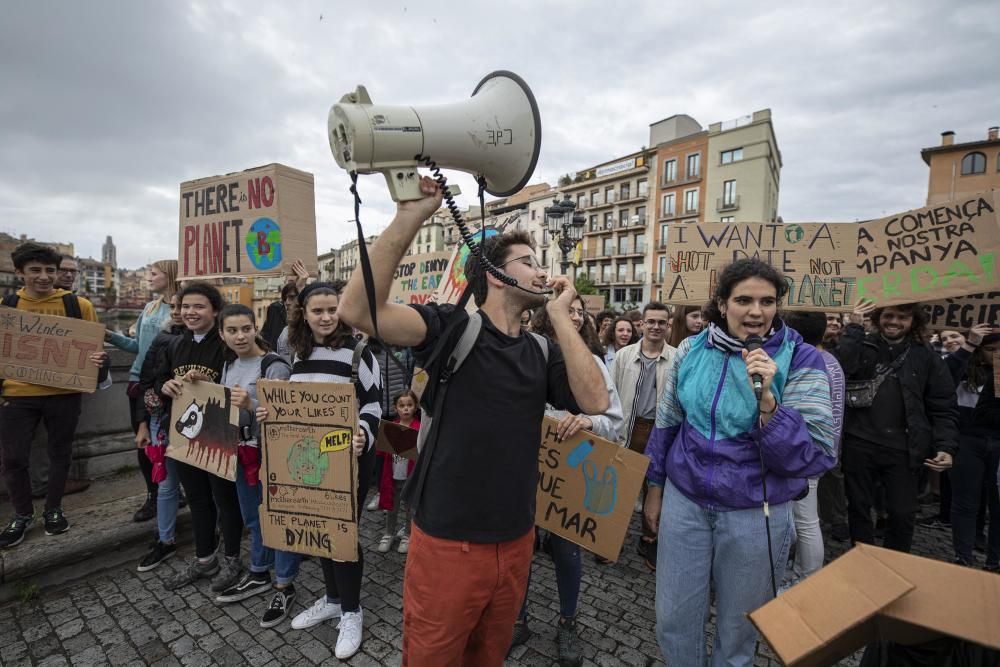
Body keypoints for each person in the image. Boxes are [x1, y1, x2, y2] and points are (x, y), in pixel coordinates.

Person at [337, 176, 608, 667]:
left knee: (490, 656)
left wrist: (562, 317)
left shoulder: (542, 349)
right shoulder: (452, 328)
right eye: (529, 261)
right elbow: (357, 310)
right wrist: (410, 215)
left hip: (516, 537)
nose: (542, 270)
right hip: (448, 541)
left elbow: (594, 399)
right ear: (496, 274)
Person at [643, 258, 836, 666]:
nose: (756, 311)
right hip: (686, 502)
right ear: (722, 302)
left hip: (755, 514)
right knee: (672, 621)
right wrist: (655, 489)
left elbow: (814, 454)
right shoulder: (692, 350)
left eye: (767, 302)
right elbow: (667, 423)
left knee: (738, 631)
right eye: (744, 299)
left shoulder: (801, 359)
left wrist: (769, 404)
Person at [254, 282, 380, 659]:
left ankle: (352, 611)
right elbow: (291, 404)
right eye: (317, 311)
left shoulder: (359, 352)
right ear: (304, 314)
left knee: (341, 534)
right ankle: (333, 599)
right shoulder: (296, 351)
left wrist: (363, 433)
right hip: (310, 458)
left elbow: (373, 405)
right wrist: (268, 413)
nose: (326, 317)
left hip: (348, 456)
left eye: (332, 310)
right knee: (317, 531)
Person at [511, 295, 624, 665]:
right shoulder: (531, 353)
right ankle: (518, 618)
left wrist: (589, 421)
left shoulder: (592, 363)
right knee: (522, 546)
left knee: (566, 549)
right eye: (567, 310)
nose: (574, 316)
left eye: (579, 312)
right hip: (529, 464)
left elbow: (614, 420)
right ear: (549, 316)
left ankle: (568, 621)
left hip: (574, 467)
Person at [0, 243, 107, 549]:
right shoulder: (7, 306)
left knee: (60, 454)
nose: (45, 277)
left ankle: (53, 510)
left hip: (65, 394)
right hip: (17, 396)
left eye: (50, 270)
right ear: (21, 273)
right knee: (14, 458)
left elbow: (94, 349)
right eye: (36, 270)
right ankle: (21, 515)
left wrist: (100, 361)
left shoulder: (78, 305)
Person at [835, 299, 957, 553]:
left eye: (903, 317)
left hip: (905, 448)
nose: (894, 322)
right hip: (860, 441)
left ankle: (896, 562)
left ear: (913, 322)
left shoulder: (926, 357)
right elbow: (842, 367)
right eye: (889, 315)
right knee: (858, 508)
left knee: (902, 514)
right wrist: (854, 329)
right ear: (879, 317)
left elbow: (943, 404)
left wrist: (946, 445)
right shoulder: (863, 346)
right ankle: (863, 559)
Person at [155, 282, 245, 592]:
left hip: (218, 431)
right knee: (196, 499)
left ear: (215, 311)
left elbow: (242, 384)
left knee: (225, 499)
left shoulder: (227, 344)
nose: (190, 313)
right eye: (185, 307)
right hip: (184, 432)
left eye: (199, 306)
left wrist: (212, 381)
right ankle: (205, 559)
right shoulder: (176, 344)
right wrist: (164, 387)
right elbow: (159, 381)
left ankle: (233, 558)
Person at [214, 304, 292, 603]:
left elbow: (283, 414)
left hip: (268, 455)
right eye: (232, 330)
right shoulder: (229, 365)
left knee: (274, 516)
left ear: (255, 328)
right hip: (240, 453)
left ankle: (279, 578)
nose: (240, 336)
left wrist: (250, 404)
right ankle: (261, 570)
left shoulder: (274, 365)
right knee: (252, 518)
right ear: (222, 334)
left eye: (246, 328)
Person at [106, 259, 179, 522]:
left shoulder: (183, 309)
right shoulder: (149, 307)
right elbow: (137, 346)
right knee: (143, 443)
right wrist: (110, 337)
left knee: (168, 442)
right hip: (138, 381)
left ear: (169, 276)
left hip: (164, 384)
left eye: (154, 273)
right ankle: (153, 493)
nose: (149, 277)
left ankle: (170, 492)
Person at [611, 302, 676, 571]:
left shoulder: (676, 357)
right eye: (651, 321)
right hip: (630, 427)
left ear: (668, 325)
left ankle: (649, 539)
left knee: (655, 487)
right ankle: (608, 539)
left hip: (659, 430)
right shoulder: (624, 356)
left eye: (662, 322)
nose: (656, 327)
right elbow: (611, 393)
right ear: (642, 324)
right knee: (619, 484)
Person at [781, 311, 846, 583]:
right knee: (806, 519)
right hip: (820, 451)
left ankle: (804, 578)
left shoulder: (806, 361)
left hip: (803, 454)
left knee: (804, 521)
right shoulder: (831, 361)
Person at [27, 254, 91, 499]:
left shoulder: (76, 304)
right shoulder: (20, 302)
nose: (68, 275)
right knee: (36, 442)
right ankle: (41, 484)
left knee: (58, 440)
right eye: (64, 270)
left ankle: (51, 483)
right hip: (27, 387)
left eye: (72, 271)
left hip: (65, 387)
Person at [135, 294, 188, 571]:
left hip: (198, 422)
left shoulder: (215, 341)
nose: (181, 312)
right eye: (178, 306)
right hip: (163, 421)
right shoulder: (161, 339)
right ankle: (165, 539)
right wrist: (143, 423)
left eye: (189, 306)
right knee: (166, 484)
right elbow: (146, 381)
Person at [943, 324, 1000, 571]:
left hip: (997, 442)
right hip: (967, 440)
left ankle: (994, 560)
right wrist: (969, 346)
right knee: (965, 502)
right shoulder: (965, 366)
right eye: (992, 349)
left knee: (997, 505)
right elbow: (944, 378)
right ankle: (963, 557)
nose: (996, 354)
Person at [377, 389, 419, 554]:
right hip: (392, 476)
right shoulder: (390, 428)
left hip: (409, 478)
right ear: (396, 408)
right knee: (391, 508)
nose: (406, 409)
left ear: (415, 407)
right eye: (402, 405)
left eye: (409, 405)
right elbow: (381, 453)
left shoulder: (418, 429)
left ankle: (408, 535)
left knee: (409, 509)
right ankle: (389, 533)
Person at [260, 260, 309, 350]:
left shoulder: (308, 312)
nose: (288, 302)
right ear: (284, 282)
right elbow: (266, 336)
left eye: (299, 281)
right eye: (291, 281)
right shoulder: (274, 308)